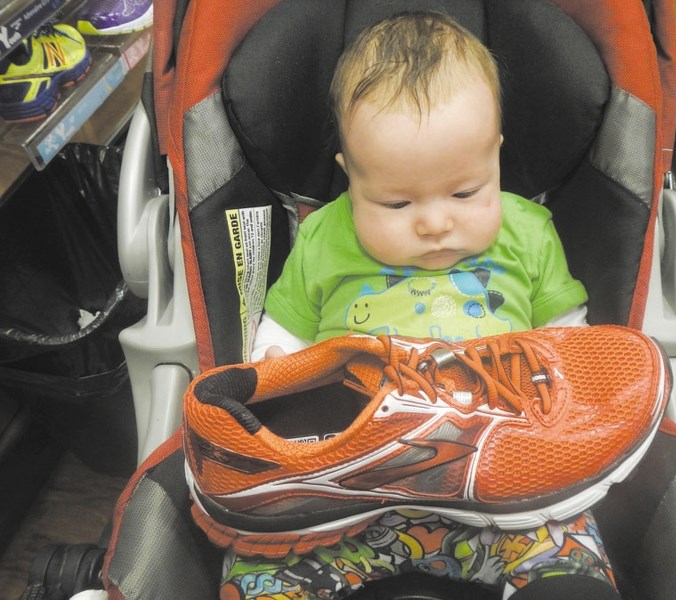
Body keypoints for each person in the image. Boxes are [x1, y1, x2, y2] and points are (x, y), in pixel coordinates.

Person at [231, 11, 622, 600]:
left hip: (506, 481)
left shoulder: (528, 232)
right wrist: (281, 408)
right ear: (351, 178)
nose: (437, 223)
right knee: (261, 565)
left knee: (569, 561)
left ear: (496, 154)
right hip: (353, 490)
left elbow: (569, 341)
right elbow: (279, 344)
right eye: (394, 202)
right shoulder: (322, 239)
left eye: (466, 192)